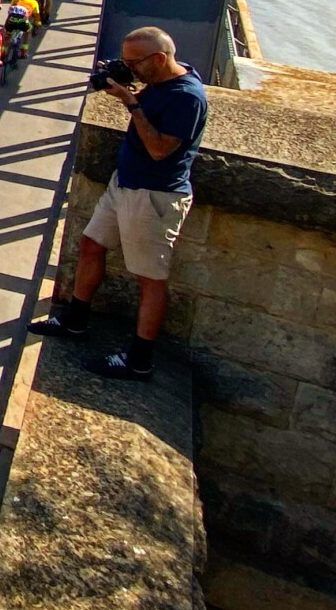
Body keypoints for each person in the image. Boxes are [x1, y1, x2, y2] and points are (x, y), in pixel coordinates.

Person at [31, 28, 209, 381]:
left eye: (134, 63)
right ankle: (76, 320)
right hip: (123, 182)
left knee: (149, 278)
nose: (130, 69)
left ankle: (139, 359)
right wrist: (126, 79)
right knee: (91, 245)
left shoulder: (187, 98)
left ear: (158, 59)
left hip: (154, 195)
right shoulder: (165, 76)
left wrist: (131, 101)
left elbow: (160, 150)